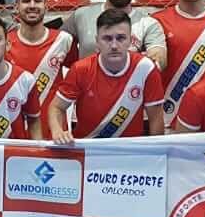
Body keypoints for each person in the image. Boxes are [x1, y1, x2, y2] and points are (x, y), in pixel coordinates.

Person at [48, 8, 166, 142]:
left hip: (131, 152)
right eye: (107, 38)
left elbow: (156, 119)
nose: (114, 45)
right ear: (97, 41)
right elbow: (56, 107)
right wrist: (58, 131)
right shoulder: (80, 69)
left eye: (121, 38)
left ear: (130, 40)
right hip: (88, 149)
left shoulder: (146, 68)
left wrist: (156, 154)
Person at [61, 0, 167, 68]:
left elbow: (160, 59)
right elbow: (54, 45)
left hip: (129, 85)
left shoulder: (148, 23)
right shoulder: (81, 15)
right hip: (87, 84)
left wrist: (152, 60)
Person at [4, 0, 77, 122]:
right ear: (16, 6)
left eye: (37, 0)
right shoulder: (4, 43)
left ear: (46, 5)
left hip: (54, 131)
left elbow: (78, 78)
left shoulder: (64, 40)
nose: (32, 5)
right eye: (26, 1)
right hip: (15, 131)